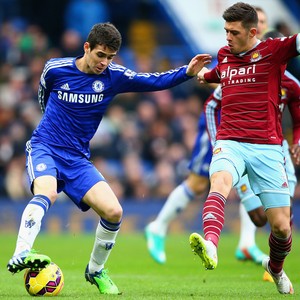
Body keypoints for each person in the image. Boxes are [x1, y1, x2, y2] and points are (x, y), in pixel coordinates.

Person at [6, 22, 212, 295]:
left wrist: (186, 72)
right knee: (48, 192)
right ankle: (22, 252)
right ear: (87, 48)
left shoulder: (114, 76)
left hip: (77, 159)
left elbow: (153, 81)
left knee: (114, 212)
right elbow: (43, 98)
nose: (104, 62)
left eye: (110, 57)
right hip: (46, 147)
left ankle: (95, 270)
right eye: (100, 55)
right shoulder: (55, 69)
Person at [144, 6, 271, 266]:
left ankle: (247, 243)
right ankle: (158, 226)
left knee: (252, 181)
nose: (264, 25)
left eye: (265, 21)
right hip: (219, 123)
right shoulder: (233, 53)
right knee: (200, 182)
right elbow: (215, 80)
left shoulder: (267, 53)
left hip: (248, 131)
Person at [192, 2, 299, 295]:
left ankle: (274, 268)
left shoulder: (274, 50)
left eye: (233, 32)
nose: (227, 37)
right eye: (225, 30)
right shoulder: (225, 55)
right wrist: (203, 76)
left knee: (280, 228)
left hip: (267, 148)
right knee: (220, 181)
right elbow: (219, 73)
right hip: (230, 142)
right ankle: (211, 245)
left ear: (253, 32)